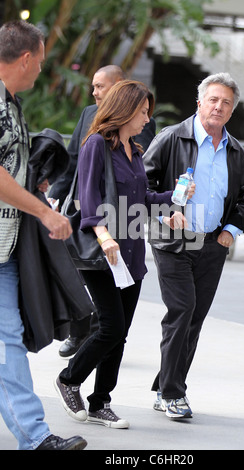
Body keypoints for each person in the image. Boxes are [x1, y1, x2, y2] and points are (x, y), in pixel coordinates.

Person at [54, 80, 180, 429]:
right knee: (110, 327)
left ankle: (100, 403)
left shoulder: (135, 151)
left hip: (131, 253)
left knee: (119, 333)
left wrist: (171, 200)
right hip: (102, 250)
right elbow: (88, 195)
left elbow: (139, 199)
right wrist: (104, 233)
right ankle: (68, 379)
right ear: (125, 110)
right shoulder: (97, 144)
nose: (145, 119)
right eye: (142, 112)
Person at [143, 72, 244, 420]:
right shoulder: (171, 138)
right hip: (173, 241)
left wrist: (232, 230)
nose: (219, 107)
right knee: (182, 310)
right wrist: (165, 213)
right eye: (213, 99)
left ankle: (164, 385)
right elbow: (142, 182)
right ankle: (172, 393)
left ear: (232, 110)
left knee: (193, 318)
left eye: (226, 102)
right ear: (199, 102)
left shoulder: (236, 151)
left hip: (212, 245)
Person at [0, 20, 87, 450]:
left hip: (6, 246)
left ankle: (34, 438)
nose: (43, 70)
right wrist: (44, 212)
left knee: (7, 340)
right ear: (27, 58)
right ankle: (35, 438)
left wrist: (32, 185)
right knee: (6, 343)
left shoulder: (11, 103)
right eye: (42, 61)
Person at [50, 65, 156, 357]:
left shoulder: (140, 121)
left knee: (111, 312)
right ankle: (85, 330)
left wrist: (172, 200)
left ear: (121, 89)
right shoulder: (87, 115)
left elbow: (135, 172)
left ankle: (97, 335)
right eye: (93, 86)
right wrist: (55, 197)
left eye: (101, 86)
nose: (95, 92)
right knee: (85, 271)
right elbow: (73, 158)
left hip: (120, 219)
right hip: (86, 209)